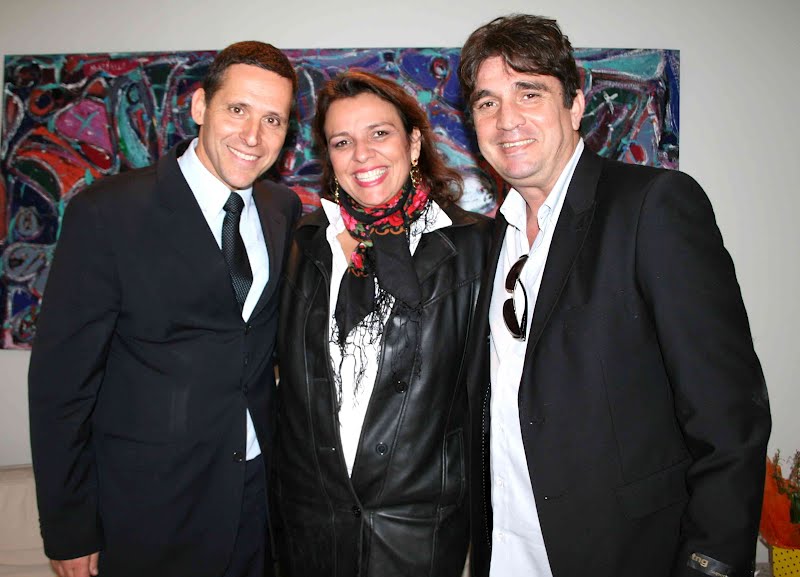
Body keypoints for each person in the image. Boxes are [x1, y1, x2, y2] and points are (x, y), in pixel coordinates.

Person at [458, 14, 771, 577]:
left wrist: (710, 564)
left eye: (529, 93)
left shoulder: (653, 206)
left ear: (575, 104)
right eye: (487, 102)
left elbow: (729, 419)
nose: (507, 120)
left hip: (627, 554)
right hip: (506, 555)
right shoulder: (489, 242)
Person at [28, 41, 301, 577]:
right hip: (148, 508)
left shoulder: (281, 208)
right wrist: (68, 527)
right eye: (237, 109)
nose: (253, 136)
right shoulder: (108, 213)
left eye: (273, 119)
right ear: (200, 106)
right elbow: (61, 386)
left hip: (257, 499)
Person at [272, 70, 491, 577]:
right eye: (342, 142)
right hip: (310, 531)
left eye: (379, 133)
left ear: (413, 143)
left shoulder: (478, 247)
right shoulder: (301, 244)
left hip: (419, 534)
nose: (362, 155)